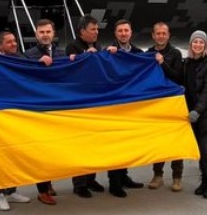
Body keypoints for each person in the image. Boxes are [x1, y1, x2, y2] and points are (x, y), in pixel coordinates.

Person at [65, 14, 106, 198]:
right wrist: (83, 57)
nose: (96, 32)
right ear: (82, 32)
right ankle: (79, 184)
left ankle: (91, 178)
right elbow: (68, 71)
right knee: (80, 144)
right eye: (93, 29)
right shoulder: (72, 47)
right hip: (78, 103)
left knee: (95, 143)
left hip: (95, 101)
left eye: (97, 29)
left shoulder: (98, 46)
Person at [23, 19, 64, 204]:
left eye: (48, 31)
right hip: (38, 110)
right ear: (36, 33)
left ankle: (48, 183)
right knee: (40, 151)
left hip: (57, 109)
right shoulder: (28, 56)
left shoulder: (62, 54)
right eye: (42, 32)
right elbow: (22, 78)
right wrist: (36, 65)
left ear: (53, 33)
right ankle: (42, 190)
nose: (45, 35)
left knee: (53, 149)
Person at [0, 31, 32, 211]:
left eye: (15, 41)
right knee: (1, 155)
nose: (14, 44)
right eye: (9, 42)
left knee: (15, 153)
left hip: (18, 113)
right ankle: (0, 194)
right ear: (0, 46)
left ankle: (12, 190)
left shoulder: (20, 58)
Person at [104, 19, 145, 197]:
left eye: (126, 30)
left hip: (131, 106)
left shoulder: (137, 53)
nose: (123, 33)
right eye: (120, 31)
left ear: (130, 32)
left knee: (127, 144)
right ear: (115, 34)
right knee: (115, 146)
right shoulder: (107, 52)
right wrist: (106, 54)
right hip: (113, 106)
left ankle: (124, 176)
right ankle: (114, 183)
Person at [145, 22, 185, 191]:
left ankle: (177, 177)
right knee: (158, 141)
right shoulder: (148, 54)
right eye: (158, 33)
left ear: (168, 35)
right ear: (153, 36)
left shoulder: (175, 53)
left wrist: (162, 63)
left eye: (164, 33)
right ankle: (158, 175)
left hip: (173, 102)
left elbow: (178, 77)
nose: (161, 36)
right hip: (156, 102)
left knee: (176, 141)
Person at [183, 30, 207, 199]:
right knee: (200, 150)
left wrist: (198, 111)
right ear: (191, 45)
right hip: (193, 115)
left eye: (201, 42)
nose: (198, 45)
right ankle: (204, 181)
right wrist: (162, 64)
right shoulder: (188, 63)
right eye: (195, 42)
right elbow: (179, 80)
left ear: (205, 45)